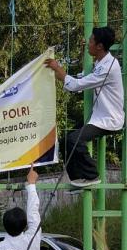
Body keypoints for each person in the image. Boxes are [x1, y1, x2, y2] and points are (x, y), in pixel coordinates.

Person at [45, 26, 124, 188]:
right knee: (66, 140)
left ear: (99, 46)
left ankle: (91, 175)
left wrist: (57, 69)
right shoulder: (101, 62)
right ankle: (78, 180)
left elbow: (76, 85)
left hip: (108, 119)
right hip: (98, 115)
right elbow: (83, 80)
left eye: (91, 41)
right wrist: (63, 72)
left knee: (74, 141)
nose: (88, 44)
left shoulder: (109, 66)